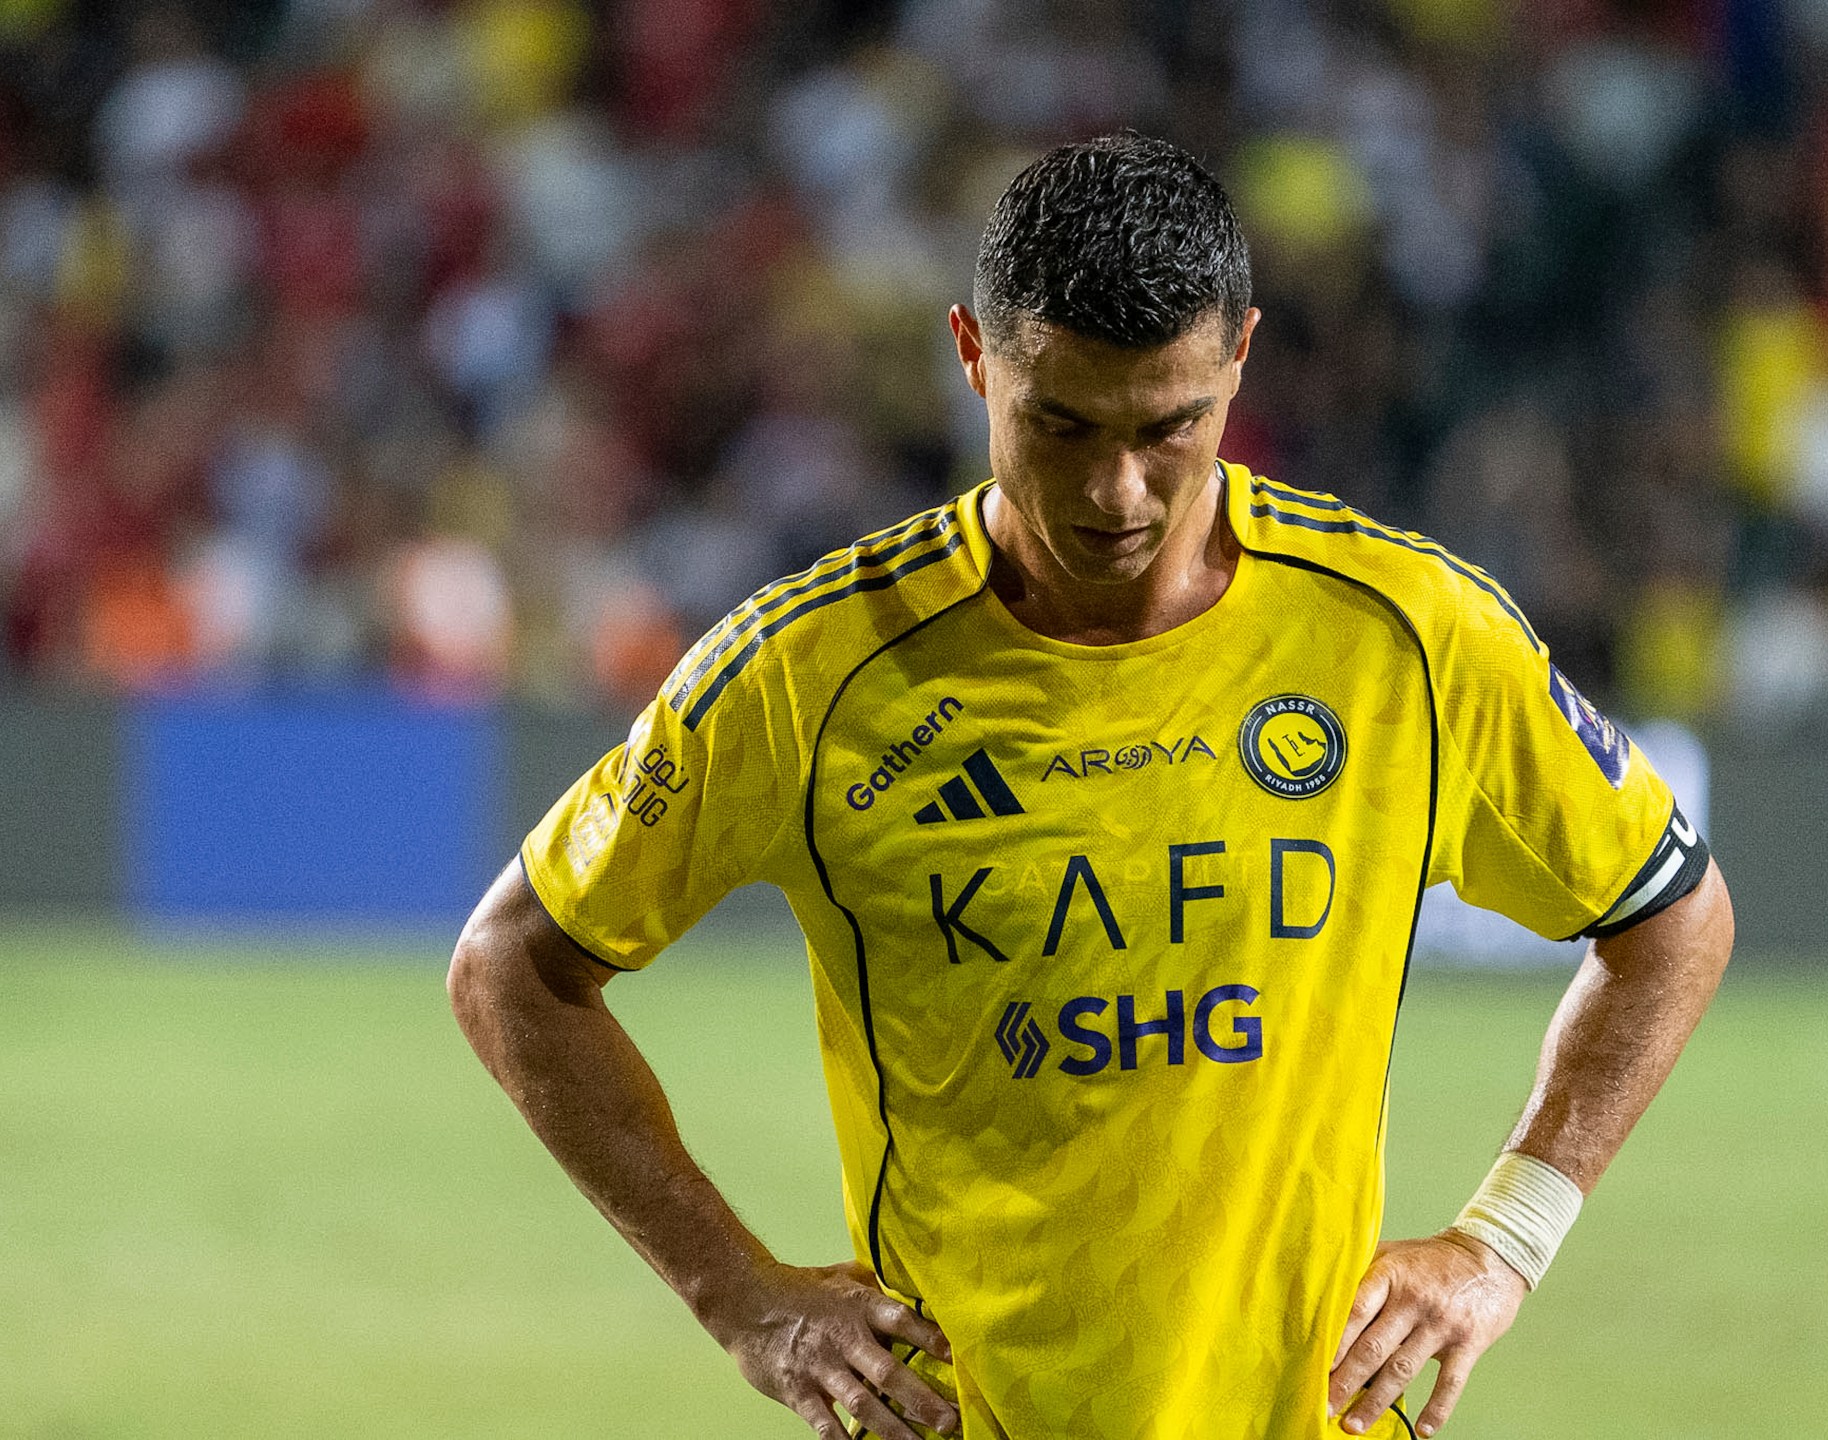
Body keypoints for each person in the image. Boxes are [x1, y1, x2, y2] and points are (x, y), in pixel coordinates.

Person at [448, 133, 1734, 1440]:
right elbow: (512, 968)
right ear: (972, 356)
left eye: (1170, 427)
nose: (1118, 492)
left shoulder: (1404, 638)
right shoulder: (811, 671)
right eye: (1059, 425)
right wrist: (742, 1297)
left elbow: (1672, 916)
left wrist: (1505, 1239)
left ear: (1241, 358)